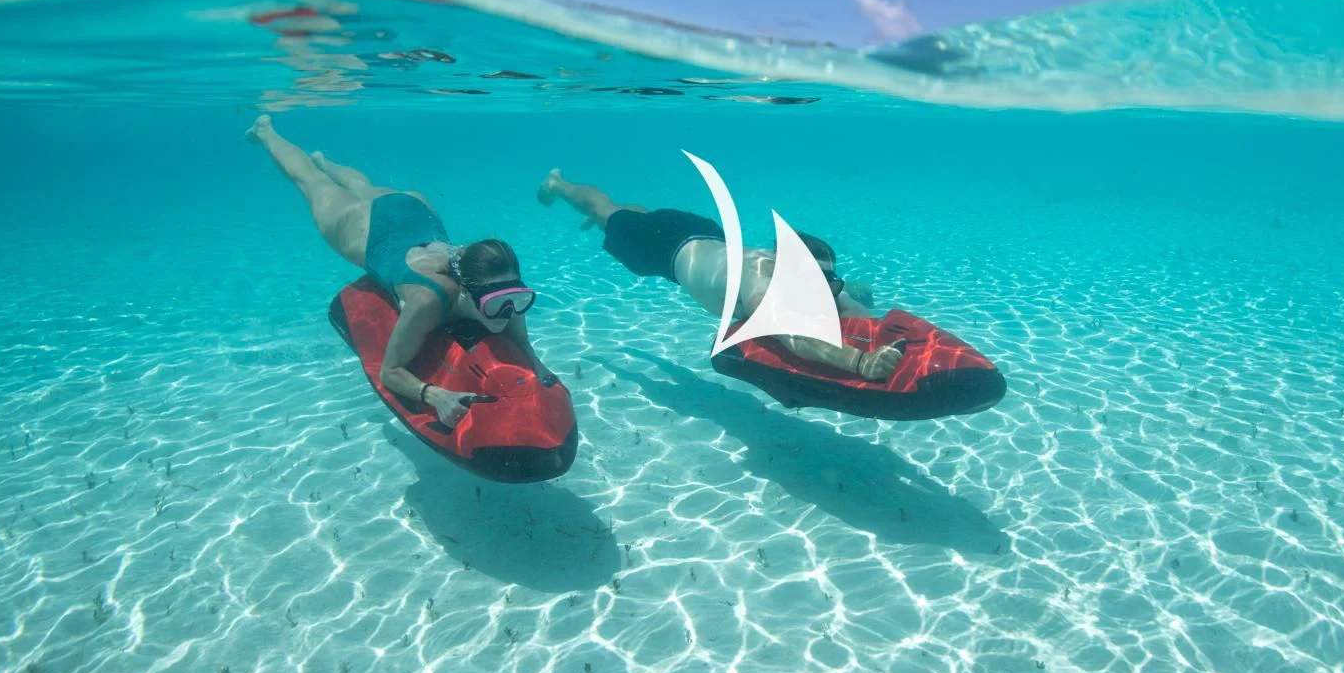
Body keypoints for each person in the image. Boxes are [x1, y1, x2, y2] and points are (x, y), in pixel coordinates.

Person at [248, 115, 554, 425]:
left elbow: (522, 339)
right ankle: (266, 131)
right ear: (465, 290)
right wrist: (436, 395)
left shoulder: (501, 288)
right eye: (495, 305)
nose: (507, 312)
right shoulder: (428, 299)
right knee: (312, 183)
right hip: (367, 229)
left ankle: (324, 159)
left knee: (363, 185)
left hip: (415, 210)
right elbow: (390, 371)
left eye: (517, 299)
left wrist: (538, 366)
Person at [536, 168, 904, 381]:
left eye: (826, 281)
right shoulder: (760, 285)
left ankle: (627, 217)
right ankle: (558, 184)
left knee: (629, 216)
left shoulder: (799, 271)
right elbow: (793, 338)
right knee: (605, 209)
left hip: (703, 233)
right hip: (661, 248)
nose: (821, 289)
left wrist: (878, 328)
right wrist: (860, 361)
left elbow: (850, 304)